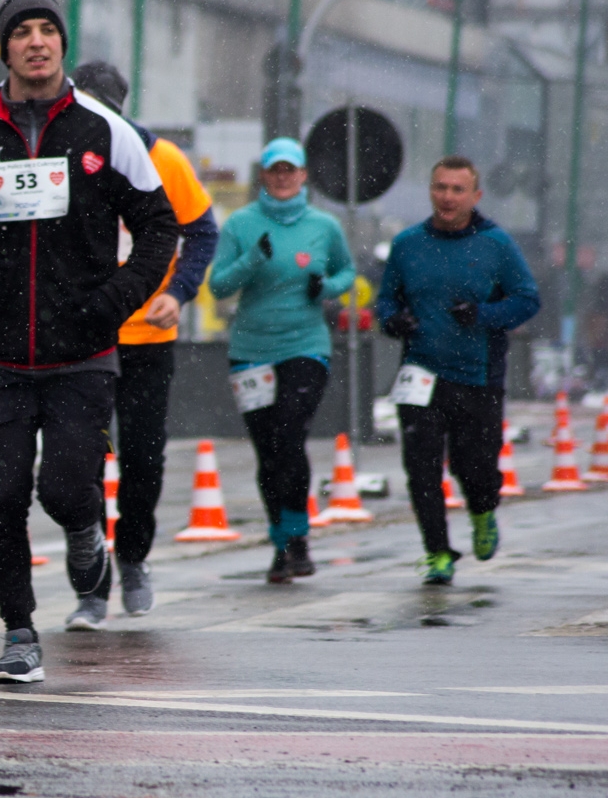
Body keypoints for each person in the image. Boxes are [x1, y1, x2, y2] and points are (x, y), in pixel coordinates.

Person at [0, 0, 179, 684]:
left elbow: (162, 227)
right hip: (0, 351)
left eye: (47, 30)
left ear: (61, 43)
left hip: (82, 351)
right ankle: (18, 633)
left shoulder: (104, 130)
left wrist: (117, 300)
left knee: (67, 486)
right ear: (3, 47)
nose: (36, 41)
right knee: (4, 493)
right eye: (22, 32)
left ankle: (84, 529)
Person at [67, 62, 218, 629]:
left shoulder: (164, 160)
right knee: (79, 462)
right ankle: (90, 586)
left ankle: (133, 559)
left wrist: (179, 292)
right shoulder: (63, 155)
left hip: (149, 336)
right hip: (84, 336)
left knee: (143, 460)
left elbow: (202, 230)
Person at [375, 157, 539, 585]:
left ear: (475, 196)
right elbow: (386, 300)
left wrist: (484, 314)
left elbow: (527, 299)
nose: (447, 197)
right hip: (421, 374)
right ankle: (437, 553)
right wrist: (393, 321)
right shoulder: (408, 243)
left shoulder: (496, 244)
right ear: (431, 191)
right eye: (440, 188)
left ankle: (483, 511)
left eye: (457, 190)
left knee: (476, 468)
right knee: (422, 466)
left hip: (477, 376)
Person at [208, 138, 355, 584]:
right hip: (251, 351)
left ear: (304, 175)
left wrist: (326, 287)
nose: (283, 177)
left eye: (291, 169)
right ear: (264, 176)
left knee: (290, 436)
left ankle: (298, 536)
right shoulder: (241, 223)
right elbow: (217, 285)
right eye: (275, 170)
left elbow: (348, 271)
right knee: (268, 450)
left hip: (305, 345)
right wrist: (253, 260)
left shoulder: (324, 226)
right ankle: (280, 545)